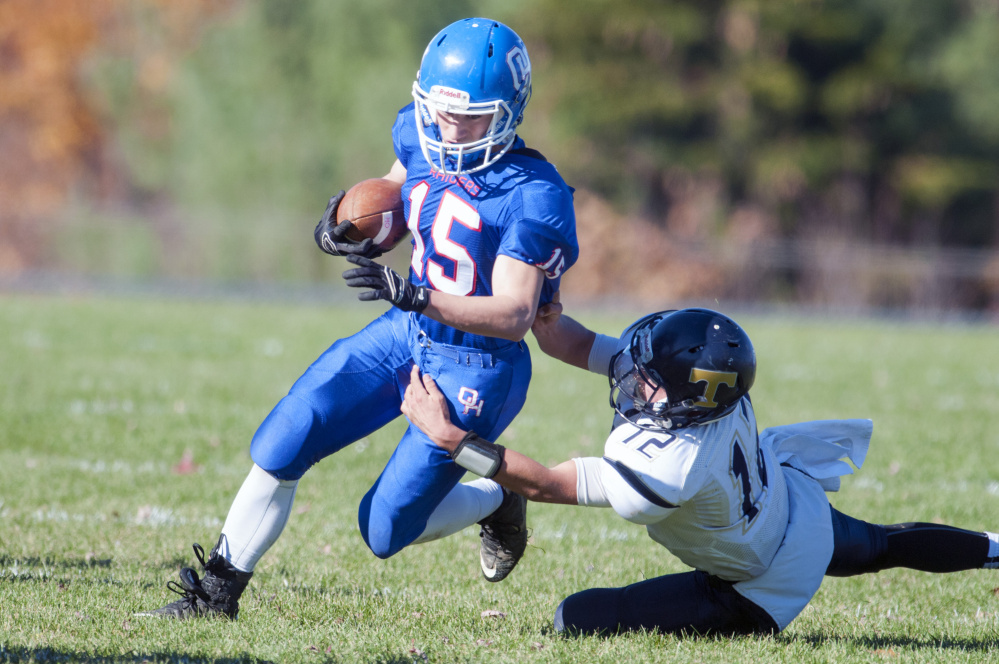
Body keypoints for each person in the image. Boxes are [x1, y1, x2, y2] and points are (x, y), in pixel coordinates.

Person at [140, 17, 578, 620]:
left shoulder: (533, 194)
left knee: (382, 529)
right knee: (285, 436)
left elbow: (512, 313)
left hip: (477, 364)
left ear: (509, 111)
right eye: (442, 112)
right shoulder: (419, 134)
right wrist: (357, 230)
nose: (450, 129)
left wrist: (418, 296)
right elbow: (405, 199)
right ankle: (216, 595)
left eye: (471, 116)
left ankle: (495, 498)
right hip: (408, 331)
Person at [400, 305, 999, 636]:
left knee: (573, 619)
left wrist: (453, 439)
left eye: (650, 379)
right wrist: (535, 306)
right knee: (882, 545)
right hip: (795, 507)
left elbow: (542, 484)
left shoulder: (667, 470)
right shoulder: (711, 394)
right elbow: (580, 344)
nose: (636, 377)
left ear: (687, 398)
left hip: (759, 584)